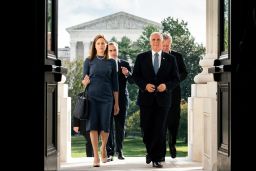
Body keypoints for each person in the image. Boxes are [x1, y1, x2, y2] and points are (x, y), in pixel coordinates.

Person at [132, 32, 180, 168]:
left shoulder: (170, 59)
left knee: (159, 129)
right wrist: (144, 85)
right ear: (150, 42)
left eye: (158, 39)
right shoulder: (141, 58)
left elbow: (176, 79)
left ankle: (156, 158)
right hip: (145, 100)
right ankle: (150, 152)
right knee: (146, 128)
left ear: (161, 41)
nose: (156, 42)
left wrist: (166, 86)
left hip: (163, 100)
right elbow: (135, 76)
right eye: (153, 39)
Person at [82, 34, 119, 167]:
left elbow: (115, 84)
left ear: (106, 45)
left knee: (105, 126)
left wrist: (117, 103)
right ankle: (96, 156)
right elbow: (84, 80)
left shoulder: (111, 62)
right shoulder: (88, 60)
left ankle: (103, 148)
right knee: (93, 126)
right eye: (98, 43)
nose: (101, 45)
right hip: (92, 97)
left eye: (103, 43)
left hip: (107, 98)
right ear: (95, 46)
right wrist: (84, 82)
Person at [162, 33, 188, 159]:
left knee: (174, 121)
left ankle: (172, 144)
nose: (166, 48)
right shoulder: (156, 57)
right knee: (161, 121)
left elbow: (184, 73)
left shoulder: (177, 56)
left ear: (170, 44)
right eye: (164, 45)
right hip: (160, 94)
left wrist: (174, 81)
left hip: (174, 93)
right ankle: (160, 149)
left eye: (168, 45)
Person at [106, 42, 133, 161]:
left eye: (114, 50)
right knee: (108, 126)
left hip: (122, 98)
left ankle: (119, 150)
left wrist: (127, 74)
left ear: (118, 50)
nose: (113, 52)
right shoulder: (105, 64)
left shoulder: (125, 64)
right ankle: (109, 152)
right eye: (110, 50)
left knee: (120, 126)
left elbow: (132, 80)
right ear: (108, 52)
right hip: (107, 98)